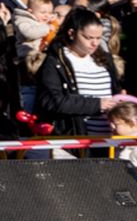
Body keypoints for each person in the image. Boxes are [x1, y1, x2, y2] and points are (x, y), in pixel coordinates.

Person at [34, 8, 121, 137]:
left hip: (109, 136)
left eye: (98, 38)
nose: (94, 43)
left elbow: (114, 91)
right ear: (72, 33)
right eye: (88, 37)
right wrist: (97, 104)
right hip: (76, 137)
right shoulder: (56, 61)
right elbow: (51, 100)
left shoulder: (105, 58)